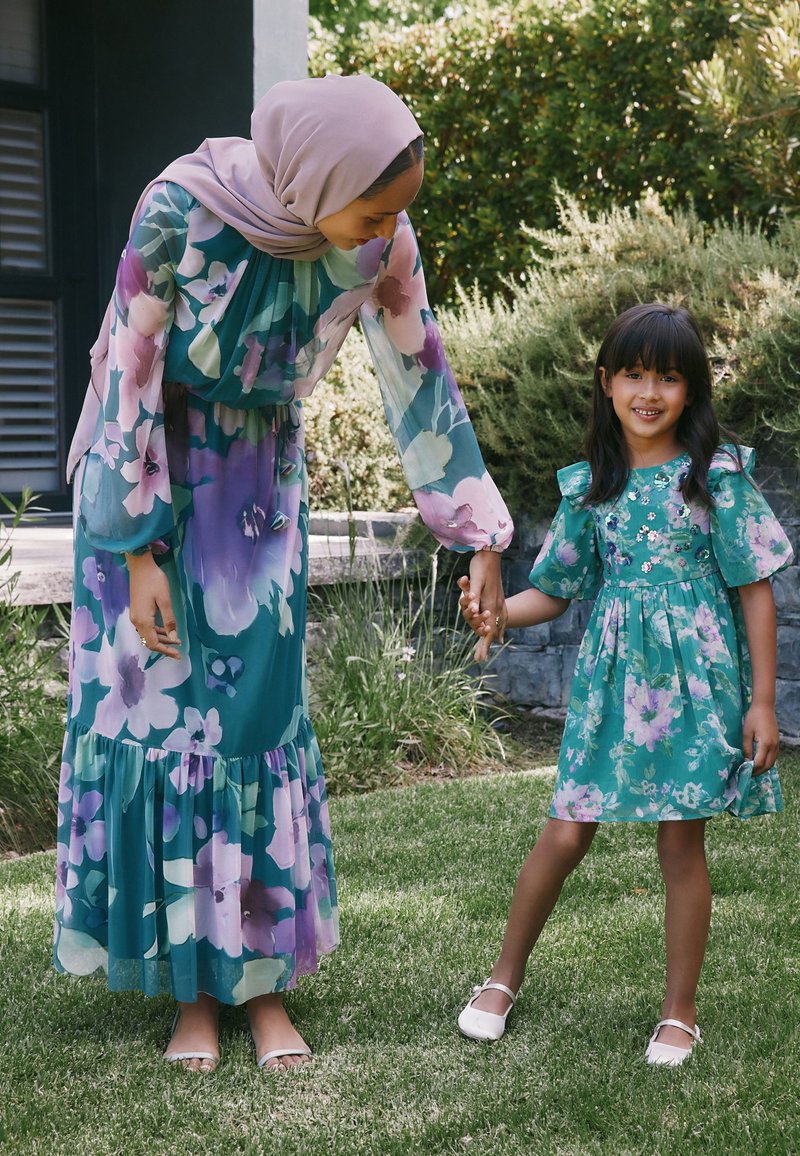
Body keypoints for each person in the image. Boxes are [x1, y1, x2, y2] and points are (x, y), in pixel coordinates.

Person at [54, 73, 512, 1073]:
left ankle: (262, 989)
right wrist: (136, 550)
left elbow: (418, 376)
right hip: (147, 477)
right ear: (311, 178)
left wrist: (477, 532)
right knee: (161, 725)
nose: (388, 231)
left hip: (256, 490)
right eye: (374, 207)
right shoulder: (179, 208)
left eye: (399, 211)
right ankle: (190, 1001)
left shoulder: (381, 243)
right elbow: (126, 369)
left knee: (255, 728)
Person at [457, 303, 792, 1066]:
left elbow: (755, 588)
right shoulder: (592, 489)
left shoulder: (717, 478)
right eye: (635, 374)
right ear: (606, 383)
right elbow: (557, 589)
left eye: (668, 377)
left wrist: (763, 701)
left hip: (700, 689)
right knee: (567, 830)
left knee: (682, 846)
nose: (650, 391)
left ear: (691, 390)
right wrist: (497, 616)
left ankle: (680, 1011)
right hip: (612, 691)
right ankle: (502, 979)